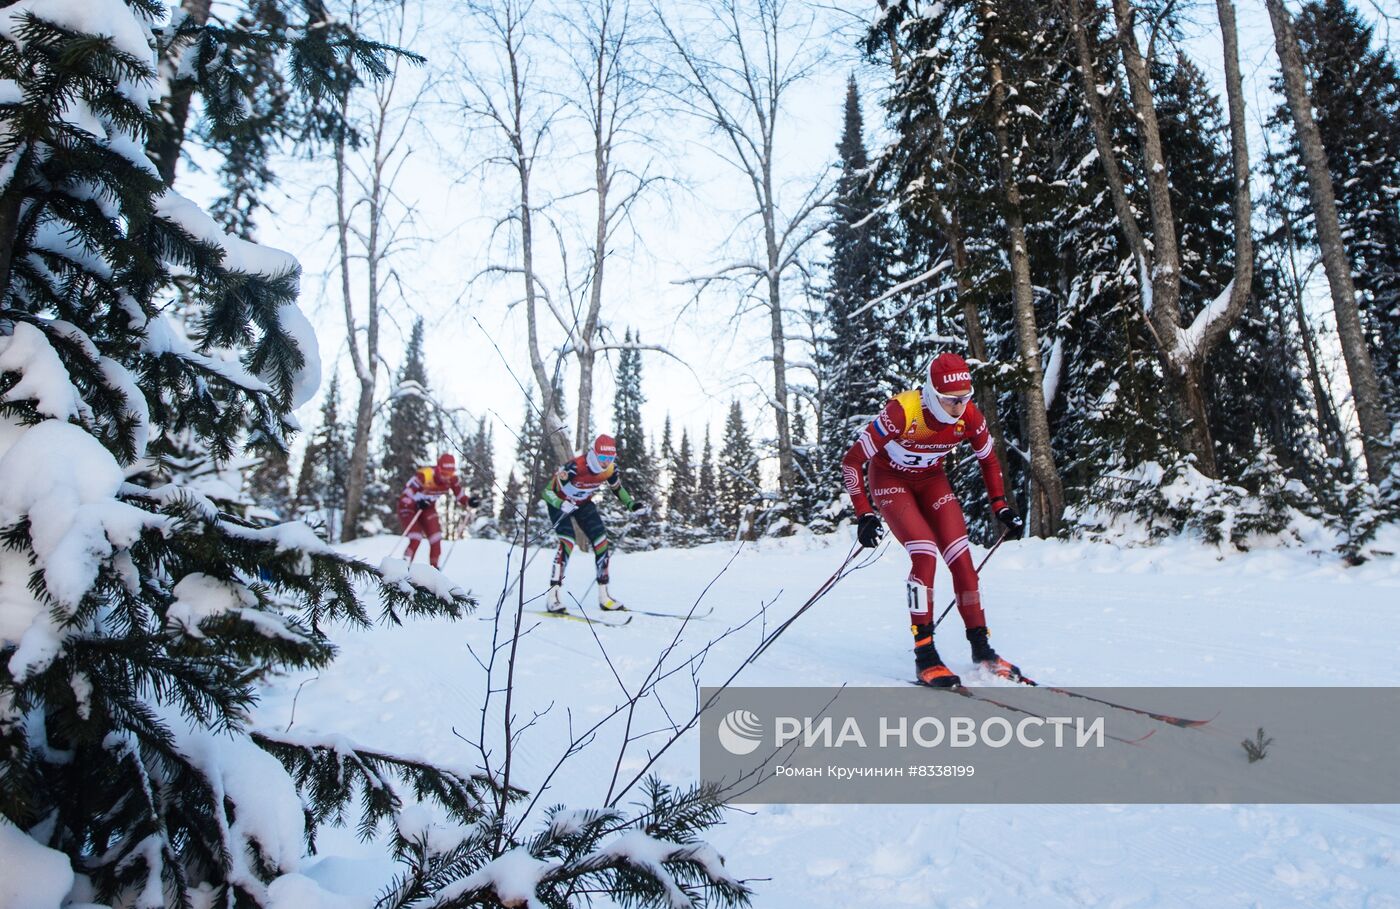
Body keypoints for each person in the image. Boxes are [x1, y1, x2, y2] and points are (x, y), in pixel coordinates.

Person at [841, 352, 1026, 688]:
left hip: (930, 482)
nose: (957, 407)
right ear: (930, 391)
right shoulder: (903, 411)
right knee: (925, 553)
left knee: (962, 560)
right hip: (891, 483)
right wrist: (863, 512)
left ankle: (982, 649)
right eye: (948, 400)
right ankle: (925, 655)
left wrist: (1000, 505)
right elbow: (852, 462)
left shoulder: (968, 415)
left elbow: (989, 459)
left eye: (963, 399)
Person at [542, 434, 645, 613]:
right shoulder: (575, 467)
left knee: (601, 542)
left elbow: (617, 488)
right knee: (567, 542)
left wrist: (631, 504)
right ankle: (553, 597)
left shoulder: (610, 469)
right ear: (594, 453)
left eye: (610, 458)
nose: (606, 462)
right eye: (602, 458)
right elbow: (547, 492)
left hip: (582, 504)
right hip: (560, 504)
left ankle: (604, 597)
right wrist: (560, 503)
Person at [396, 453, 478, 569]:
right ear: (438, 468)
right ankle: (404, 566)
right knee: (416, 537)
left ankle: (434, 570)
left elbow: (460, 496)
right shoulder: (425, 475)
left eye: (450, 474)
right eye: (444, 473)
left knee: (436, 537)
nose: (446, 477)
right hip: (408, 507)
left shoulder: (452, 479)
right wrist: (416, 502)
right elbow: (405, 496)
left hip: (427, 508)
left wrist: (469, 501)